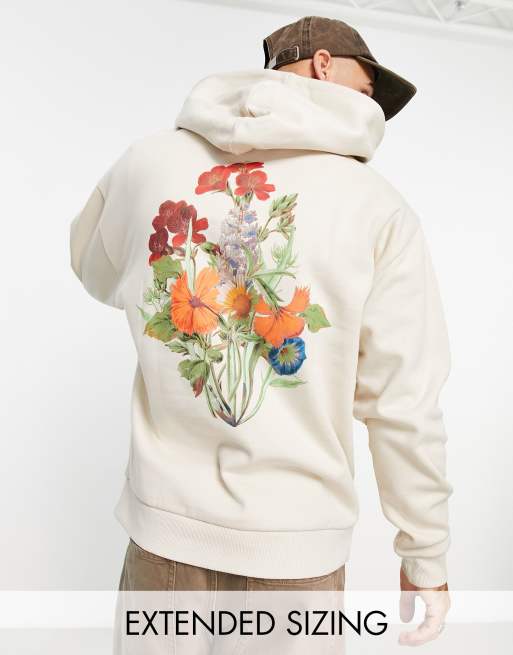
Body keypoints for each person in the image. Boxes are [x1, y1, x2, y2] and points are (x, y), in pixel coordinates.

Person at [70, 15, 452, 649]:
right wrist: (426, 555)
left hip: (164, 543)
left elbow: (94, 269)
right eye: (369, 87)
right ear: (324, 66)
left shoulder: (145, 164)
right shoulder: (376, 206)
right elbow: (403, 403)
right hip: (297, 558)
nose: (375, 106)